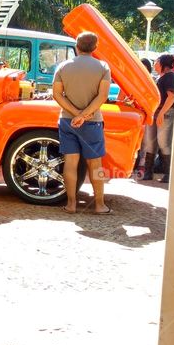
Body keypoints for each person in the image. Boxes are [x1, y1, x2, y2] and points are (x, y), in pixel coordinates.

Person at [52, 31, 113, 214]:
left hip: (67, 121)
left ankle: (71, 204)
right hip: (92, 122)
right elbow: (102, 97)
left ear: (76, 46)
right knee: (96, 165)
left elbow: (56, 94)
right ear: (95, 47)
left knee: (70, 163)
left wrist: (75, 114)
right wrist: (84, 115)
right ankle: (100, 205)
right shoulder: (103, 67)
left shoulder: (63, 66)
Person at [142, 54, 174, 183]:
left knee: (163, 143)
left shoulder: (171, 77)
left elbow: (171, 96)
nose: (155, 63)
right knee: (150, 142)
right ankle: (148, 172)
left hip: (165, 113)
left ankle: (168, 174)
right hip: (156, 113)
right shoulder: (161, 77)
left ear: (163, 63)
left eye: (157, 61)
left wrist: (162, 113)